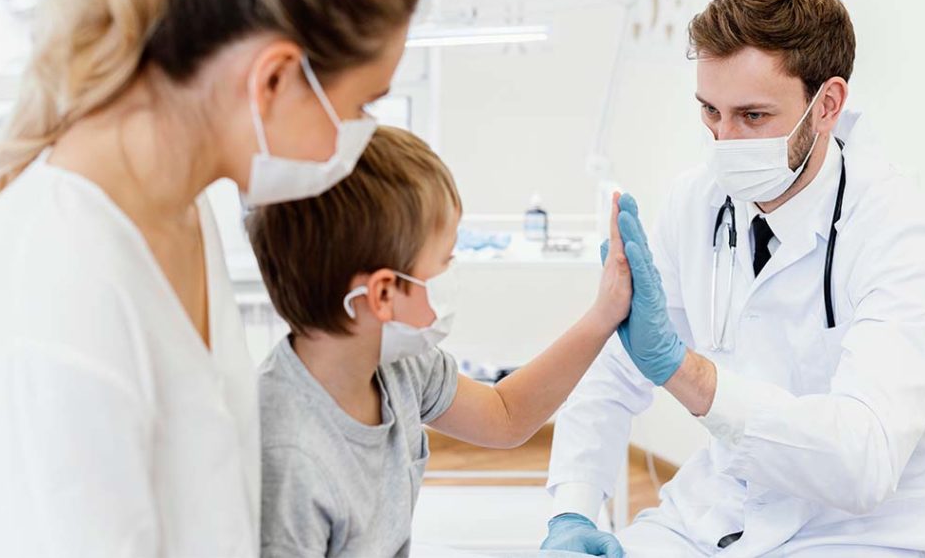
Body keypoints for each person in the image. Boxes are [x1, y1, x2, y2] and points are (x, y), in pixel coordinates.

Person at [0, 0, 420, 555]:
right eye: (361, 106)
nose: (357, 137)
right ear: (273, 80)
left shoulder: (181, 213)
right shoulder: (60, 293)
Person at [543, 0, 925, 556]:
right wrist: (571, 511)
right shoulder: (695, 202)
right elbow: (615, 372)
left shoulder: (910, 236)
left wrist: (685, 372)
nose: (724, 141)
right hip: (718, 510)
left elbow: (864, 462)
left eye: (752, 116)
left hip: (871, 529)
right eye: (709, 112)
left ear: (826, 105)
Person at [246, 126, 634, 557]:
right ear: (383, 294)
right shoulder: (287, 455)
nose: (453, 273)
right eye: (445, 260)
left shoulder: (396, 366)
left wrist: (605, 315)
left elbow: (504, 416)